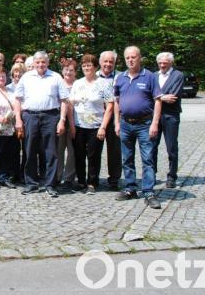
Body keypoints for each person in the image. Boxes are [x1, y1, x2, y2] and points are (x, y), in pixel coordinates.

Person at [14, 51, 70, 197]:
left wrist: (62, 120)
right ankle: (31, 183)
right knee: (29, 150)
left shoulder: (56, 77)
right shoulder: (26, 77)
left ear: (48, 62)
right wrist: (18, 119)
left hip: (51, 116)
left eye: (43, 62)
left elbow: (64, 100)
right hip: (30, 116)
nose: (40, 65)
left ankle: (50, 184)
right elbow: (17, 99)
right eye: (38, 62)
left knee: (51, 152)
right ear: (34, 63)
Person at [113, 46, 162, 209]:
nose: (131, 60)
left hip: (144, 124)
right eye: (128, 58)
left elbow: (158, 100)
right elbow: (116, 101)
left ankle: (148, 192)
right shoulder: (120, 77)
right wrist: (117, 123)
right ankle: (130, 188)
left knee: (148, 159)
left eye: (133, 57)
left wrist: (155, 123)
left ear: (140, 58)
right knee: (127, 158)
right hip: (126, 124)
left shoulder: (149, 76)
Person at [69, 54, 114, 195]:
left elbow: (110, 107)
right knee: (79, 154)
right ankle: (81, 181)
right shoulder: (77, 83)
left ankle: (92, 183)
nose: (86, 68)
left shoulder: (104, 84)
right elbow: (70, 103)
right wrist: (71, 125)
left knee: (94, 155)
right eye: (84, 66)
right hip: (79, 125)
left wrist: (103, 127)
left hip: (96, 126)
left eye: (89, 65)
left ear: (95, 67)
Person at [153, 52, 184, 189]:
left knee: (171, 147)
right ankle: (151, 174)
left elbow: (173, 96)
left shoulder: (178, 75)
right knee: (151, 147)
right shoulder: (154, 76)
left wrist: (157, 97)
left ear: (171, 62)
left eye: (165, 62)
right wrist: (162, 97)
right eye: (160, 62)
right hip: (155, 116)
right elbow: (148, 94)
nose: (162, 65)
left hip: (170, 116)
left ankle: (172, 176)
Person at [98, 50, 122, 190]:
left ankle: (114, 179)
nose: (108, 64)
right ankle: (93, 178)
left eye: (111, 62)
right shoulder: (93, 77)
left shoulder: (121, 77)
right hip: (97, 116)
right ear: (100, 62)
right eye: (105, 61)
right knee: (95, 149)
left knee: (114, 150)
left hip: (115, 117)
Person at [56, 59, 79, 191]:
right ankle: (57, 176)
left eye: (71, 70)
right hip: (59, 121)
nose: (68, 72)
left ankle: (69, 178)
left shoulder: (79, 84)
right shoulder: (58, 84)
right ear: (62, 71)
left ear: (75, 72)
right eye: (66, 69)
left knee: (72, 151)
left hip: (75, 122)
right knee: (58, 150)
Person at [7, 62, 27, 183]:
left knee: (26, 148)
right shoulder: (8, 87)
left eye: (20, 71)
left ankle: (24, 173)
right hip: (11, 121)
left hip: (25, 119)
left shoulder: (28, 86)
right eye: (15, 71)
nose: (17, 74)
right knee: (12, 148)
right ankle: (13, 173)